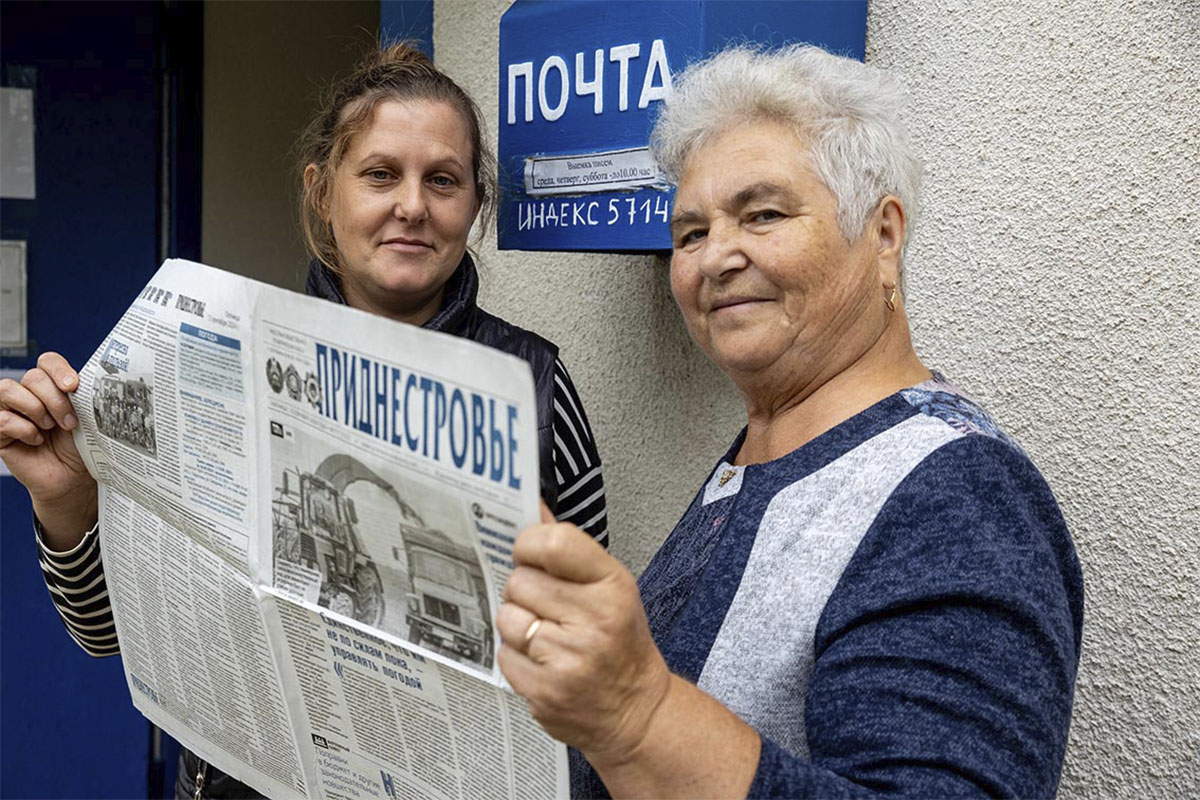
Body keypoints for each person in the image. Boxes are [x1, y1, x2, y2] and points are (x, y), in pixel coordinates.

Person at [0, 43, 608, 799]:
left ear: (476, 205)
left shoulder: (537, 391)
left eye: (443, 180)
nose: (412, 206)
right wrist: (64, 499)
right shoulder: (209, 362)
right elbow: (104, 634)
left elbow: (594, 659)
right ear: (323, 192)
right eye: (380, 174)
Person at [496, 44, 1084, 799]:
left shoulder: (960, 498)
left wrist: (639, 713)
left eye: (763, 215)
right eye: (691, 233)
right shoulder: (767, 445)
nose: (716, 258)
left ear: (884, 235)